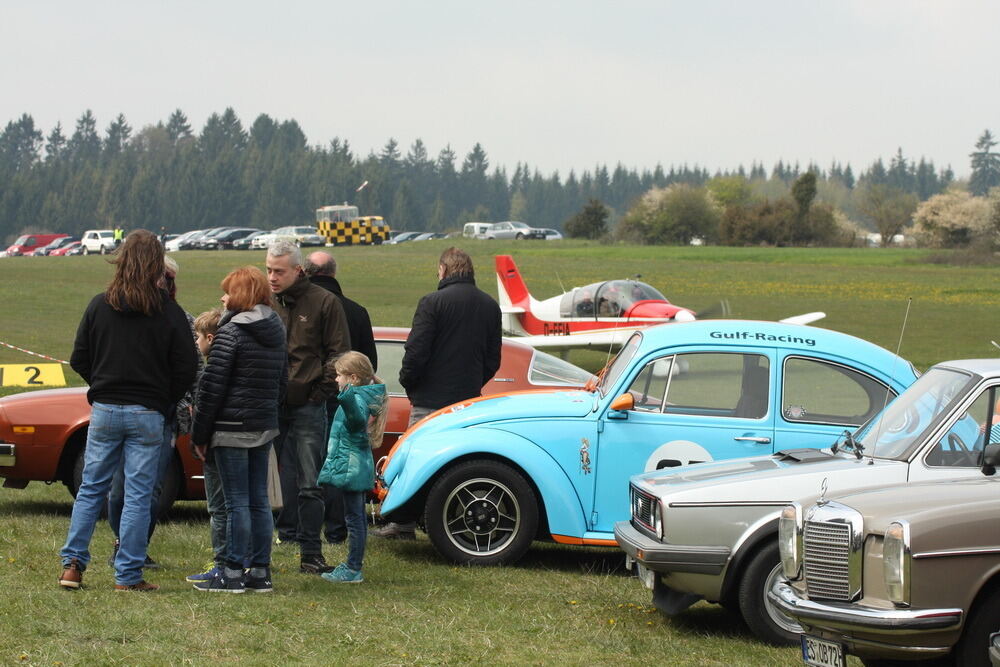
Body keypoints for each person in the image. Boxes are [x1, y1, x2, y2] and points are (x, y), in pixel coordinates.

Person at [60, 229, 198, 592]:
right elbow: (187, 366)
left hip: (105, 408)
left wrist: (103, 384)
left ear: (120, 258)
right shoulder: (168, 311)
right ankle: (128, 575)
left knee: (92, 489)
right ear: (157, 263)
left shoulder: (99, 304)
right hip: (148, 412)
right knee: (138, 495)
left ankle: (72, 565)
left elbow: (80, 357)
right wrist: (163, 397)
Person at [374, 247, 501, 540]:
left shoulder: (432, 302)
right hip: (468, 400)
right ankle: (454, 521)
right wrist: (475, 382)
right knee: (459, 463)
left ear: (443, 270)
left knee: (414, 459)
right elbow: (493, 358)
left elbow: (416, 350)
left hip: (430, 400)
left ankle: (403, 522)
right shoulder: (489, 306)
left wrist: (410, 383)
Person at [191, 267, 287, 593]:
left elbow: (212, 388)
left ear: (242, 295)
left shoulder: (230, 333)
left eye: (228, 292)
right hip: (263, 426)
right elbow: (282, 382)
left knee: (236, 504)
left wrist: (199, 435)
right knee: (259, 500)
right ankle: (260, 572)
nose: (223, 298)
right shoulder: (275, 329)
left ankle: (231, 572)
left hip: (230, 429)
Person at [105, 255, 200, 569]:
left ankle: (135, 549)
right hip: (128, 410)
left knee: (150, 488)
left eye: (171, 279)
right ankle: (122, 543)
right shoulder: (123, 312)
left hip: (164, 416)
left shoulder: (180, 318)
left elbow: (194, 369)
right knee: (118, 490)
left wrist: (179, 403)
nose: (167, 285)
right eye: (163, 278)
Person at [266, 240, 350, 574]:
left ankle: (311, 553)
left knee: (310, 482)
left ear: (297, 270)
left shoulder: (324, 302)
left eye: (279, 271)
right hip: (268, 404)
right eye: (268, 270)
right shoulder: (264, 302)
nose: (272, 277)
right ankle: (258, 556)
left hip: (308, 406)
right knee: (262, 481)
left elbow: (339, 354)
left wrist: (319, 392)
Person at [299, 250, 378, 547]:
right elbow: (371, 362)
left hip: (309, 397)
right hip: (349, 399)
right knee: (340, 462)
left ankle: (298, 528)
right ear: (333, 273)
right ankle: (337, 527)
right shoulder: (357, 311)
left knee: (306, 463)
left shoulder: (303, 308)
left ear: (306, 272)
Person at [317, 352, 387, 583]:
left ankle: (353, 568)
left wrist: (346, 399)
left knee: (354, 519)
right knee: (355, 516)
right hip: (353, 465)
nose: (336, 380)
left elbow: (356, 422)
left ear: (353, 378)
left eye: (339, 375)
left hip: (352, 467)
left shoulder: (354, 399)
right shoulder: (359, 395)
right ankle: (352, 565)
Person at [184, 308, 227, 584]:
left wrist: (196, 436)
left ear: (210, 338)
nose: (196, 344)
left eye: (198, 337)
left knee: (219, 507)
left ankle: (222, 562)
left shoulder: (211, 371)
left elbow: (205, 410)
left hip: (215, 444)